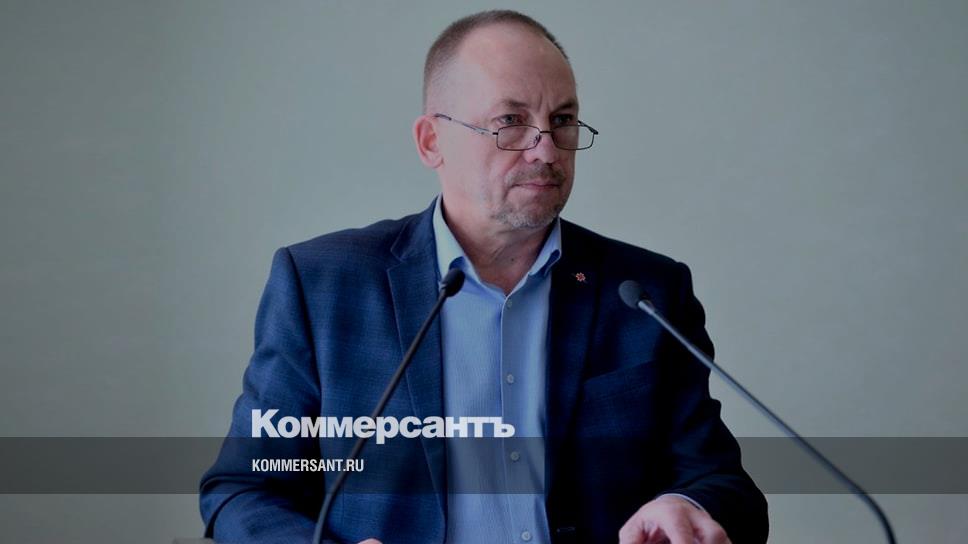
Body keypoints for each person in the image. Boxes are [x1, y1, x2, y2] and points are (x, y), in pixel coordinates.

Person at [200, 10, 767, 544]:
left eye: (562, 120)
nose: (546, 150)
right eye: (511, 122)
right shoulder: (323, 286)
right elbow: (242, 491)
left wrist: (686, 504)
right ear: (431, 141)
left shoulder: (645, 292)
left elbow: (724, 485)